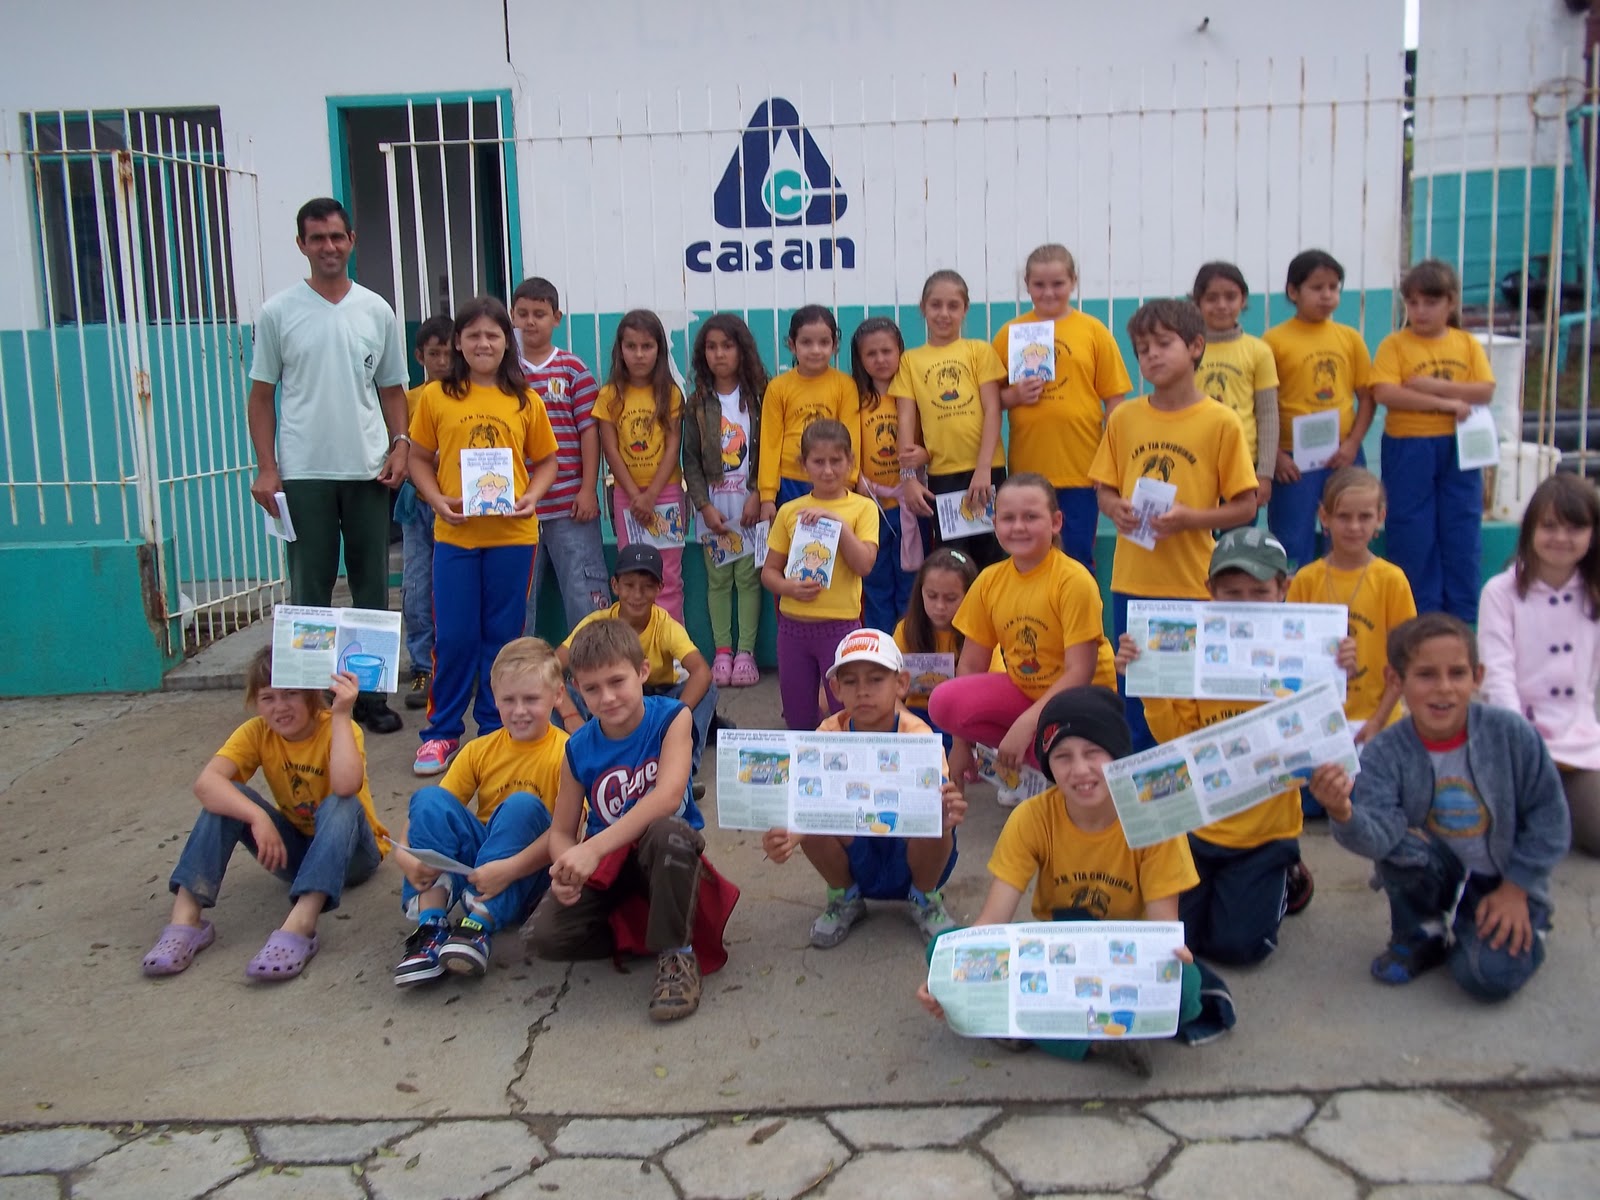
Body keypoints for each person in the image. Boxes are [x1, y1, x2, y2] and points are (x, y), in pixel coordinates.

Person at [916, 687, 1208, 1077]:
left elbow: (1162, 926)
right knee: (942, 951)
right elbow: (993, 920)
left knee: (1187, 987)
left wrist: (1173, 951)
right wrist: (950, 978)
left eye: (1093, 753)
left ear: (1118, 757)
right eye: (1063, 756)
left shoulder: (1151, 815)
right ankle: (1104, 1035)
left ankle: (1028, 1025)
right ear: (1049, 765)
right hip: (1057, 950)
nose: (1080, 770)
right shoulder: (1032, 817)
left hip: (1125, 953)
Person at [1308, 614, 1570, 999]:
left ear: (1477, 676)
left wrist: (1516, 889)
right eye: (1426, 674)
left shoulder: (1512, 735)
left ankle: (1524, 917)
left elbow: (1551, 821)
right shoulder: (1385, 751)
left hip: (1505, 875)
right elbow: (1379, 836)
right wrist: (1343, 811)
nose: (1444, 689)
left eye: (1458, 673)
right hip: (1438, 865)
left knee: (1484, 975)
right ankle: (1423, 930)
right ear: (1396, 680)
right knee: (1401, 843)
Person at [246, 196, 410, 735]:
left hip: (366, 469)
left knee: (370, 589)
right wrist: (268, 468)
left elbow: (391, 389)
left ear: (352, 240)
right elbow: (261, 397)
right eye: (317, 238)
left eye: (337, 237)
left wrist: (400, 445)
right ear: (302, 245)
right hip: (304, 472)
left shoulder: (375, 310)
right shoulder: (278, 313)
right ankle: (310, 698)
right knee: (310, 590)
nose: (329, 247)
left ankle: (369, 698)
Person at [1130, 529, 1331, 963]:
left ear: (1284, 590)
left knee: (1239, 949)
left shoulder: (1306, 650)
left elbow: (1321, 738)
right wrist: (1150, 680)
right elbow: (1174, 739)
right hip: (1198, 827)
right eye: (1231, 591)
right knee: (1185, 943)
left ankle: (1288, 876)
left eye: (1259, 591)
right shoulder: (1191, 647)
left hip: (1266, 833)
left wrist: (1336, 669)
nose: (1244, 602)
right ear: (1209, 592)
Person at [523, 619, 738, 1023]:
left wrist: (592, 848)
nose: (606, 697)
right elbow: (563, 832)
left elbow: (668, 796)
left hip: (667, 857)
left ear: (642, 673)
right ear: (576, 691)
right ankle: (638, 934)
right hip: (610, 868)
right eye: (591, 688)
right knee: (543, 938)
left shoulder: (672, 718)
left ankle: (677, 954)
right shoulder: (579, 748)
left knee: (668, 831)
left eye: (617, 681)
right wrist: (567, 869)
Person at [141, 647, 386, 981]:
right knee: (228, 797)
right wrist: (257, 817)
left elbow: (346, 785)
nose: (280, 707)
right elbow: (206, 784)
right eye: (268, 697)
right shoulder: (256, 732)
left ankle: (301, 924)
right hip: (298, 852)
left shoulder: (337, 726)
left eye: (291, 694)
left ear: (314, 695)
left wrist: (343, 714)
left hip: (354, 855)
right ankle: (186, 920)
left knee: (341, 802)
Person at [1090, 299, 1258, 750]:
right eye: (1143, 349)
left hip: (1191, 584)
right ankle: (1142, 805)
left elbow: (1245, 506)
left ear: (1196, 346)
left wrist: (1191, 519)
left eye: (1164, 344)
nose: (1152, 356)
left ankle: (1193, 799)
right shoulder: (1124, 417)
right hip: (1132, 582)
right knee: (1139, 699)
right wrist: (1114, 507)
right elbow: (1103, 488)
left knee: (1186, 698)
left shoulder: (1221, 421)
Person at [407, 298, 560, 776]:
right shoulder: (435, 397)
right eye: (472, 335)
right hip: (455, 535)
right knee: (453, 636)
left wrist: (532, 496)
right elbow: (417, 459)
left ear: (505, 341)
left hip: (513, 536)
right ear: (458, 342)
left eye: (493, 335)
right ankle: (442, 733)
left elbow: (547, 461)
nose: (483, 343)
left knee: (503, 636)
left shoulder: (524, 399)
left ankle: (494, 726)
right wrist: (436, 500)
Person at [760, 629, 966, 948]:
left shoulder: (919, 735)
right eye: (851, 682)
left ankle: (925, 898)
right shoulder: (827, 733)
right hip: (856, 848)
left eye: (875, 679)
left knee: (938, 819)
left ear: (901, 684)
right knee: (810, 813)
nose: (863, 691)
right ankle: (846, 897)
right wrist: (788, 836)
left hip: (909, 854)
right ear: (835, 688)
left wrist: (947, 811)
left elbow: (936, 802)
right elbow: (806, 801)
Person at [927, 474, 1118, 804]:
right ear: (994, 522)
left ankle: (1055, 762)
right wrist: (960, 745)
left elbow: (1080, 674)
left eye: (1031, 517)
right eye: (1008, 518)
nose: (1019, 527)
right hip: (1027, 694)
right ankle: (1033, 766)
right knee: (944, 700)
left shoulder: (1074, 581)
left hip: (1083, 703)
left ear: (1056, 522)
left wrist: (1026, 724)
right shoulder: (990, 580)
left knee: (1073, 771)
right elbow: (971, 664)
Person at [392, 638, 565, 986]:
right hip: (483, 863)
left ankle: (478, 926)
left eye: (531, 699)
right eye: (508, 700)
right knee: (428, 800)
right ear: (493, 698)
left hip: (529, 869)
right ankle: (431, 925)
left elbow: (570, 831)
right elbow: (432, 814)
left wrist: (509, 869)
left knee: (521, 804)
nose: (519, 711)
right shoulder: (478, 749)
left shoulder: (567, 751)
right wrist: (404, 854)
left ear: (557, 696)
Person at [1478, 473, 1600, 856]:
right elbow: (1498, 674)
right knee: (1501, 842)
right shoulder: (1501, 591)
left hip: (1580, 740)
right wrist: (1522, 742)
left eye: (1575, 527)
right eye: (1549, 526)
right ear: (1529, 528)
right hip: (1517, 739)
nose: (1561, 538)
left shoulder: (1595, 589)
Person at [991, 244, 1131, 570]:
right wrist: (1014, 396)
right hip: (1029, 472)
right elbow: (988, 401)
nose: (1049, 292)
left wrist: (1110, 462)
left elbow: (1115, 401)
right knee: (1029, 560)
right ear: (1026, 284)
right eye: (1040, 285)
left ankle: (1081, 623)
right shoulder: (1009, 334)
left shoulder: (1093, 331)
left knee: (1077, 558)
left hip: (1083, 471)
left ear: (1073, 282)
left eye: (1058, 284)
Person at [1287, 467, 1415, 820]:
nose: (1354, 527)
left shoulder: (1391, 580)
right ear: (1324, 517)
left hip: (1375, 722)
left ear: (1381, 518)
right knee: (1313, 805)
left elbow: (1405, 663)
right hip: (1320, 725)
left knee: (1372, 807)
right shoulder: (1306, 581)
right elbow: (1289, 658)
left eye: (1365, 517)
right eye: (1344, 516)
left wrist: (1377, 721)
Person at [1373, 259, 1497, 622]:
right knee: (1413, 532)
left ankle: (1461, 620)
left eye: (1431, 302)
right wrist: (1447, 403)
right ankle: (1418, 617)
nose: (1421, 311)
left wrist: (1433, 386)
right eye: (1413, 303)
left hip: (1459, 446)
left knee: (1461, 529)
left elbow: (1485, 390)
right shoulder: (1395, 345)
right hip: (1409, 446)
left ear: (1451, 303)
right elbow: (1387, 393)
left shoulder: (1466, 343)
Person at [761, 419, 879, 731]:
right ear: (803, 465)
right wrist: (788, 587)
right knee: (799, 719)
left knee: (847, 716)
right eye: (818, 462)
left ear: (850, 462)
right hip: (793, 631)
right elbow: (769, 572)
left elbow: (864, 565)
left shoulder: (863, 509)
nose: (828, 470)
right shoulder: (790, 511)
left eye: (836, 461)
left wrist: (837, 524)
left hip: (840, 629)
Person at [560, 544, 718, 775]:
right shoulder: (596, 622)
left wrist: (676, 719)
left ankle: (680, 772)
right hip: (608, 698)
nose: (636, 595)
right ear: (615, 586)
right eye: (629, 586)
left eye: (647, 587)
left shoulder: (665, 625)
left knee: (707, 689)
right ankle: (576, 765)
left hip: (655, 700)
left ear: (660, 588)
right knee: (558, 691)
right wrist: (571, 715)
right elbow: (549, 668)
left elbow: (701, 671)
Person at [1263, 249, 1376, 570]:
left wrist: (1352, 444)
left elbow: (1366, 397)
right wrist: (1277, 457)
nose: (1326, 296)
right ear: (1293, 292)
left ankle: (1342, 607)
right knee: (1291, 540)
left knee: (1344, 533)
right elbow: (1263, 406)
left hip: (1342, 454)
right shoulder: (1274, 341)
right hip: (1292, 461)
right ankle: (1292, 604)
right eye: (1317, 288)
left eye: (1333, 287)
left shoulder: (1349, 339)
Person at [512, 277, 611, 636]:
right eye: (522, 313)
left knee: (585, 589)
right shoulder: (506, 374)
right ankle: (522, 672)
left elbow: (590, 431)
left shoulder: (572, 370)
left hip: (570, 503)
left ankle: (591, 667)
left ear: (557, 317)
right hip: (518, 506)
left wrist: (588, 489)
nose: (530, 322)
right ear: (511, 316)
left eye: (540, 313)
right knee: (518, 597)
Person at [892, 269, 1008, 566]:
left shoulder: (978, 351)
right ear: (923, 308)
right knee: (954, 564)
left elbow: (993, 409)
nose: (944, 313)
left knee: (992, 561)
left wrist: (983, 470)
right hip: (942, 477)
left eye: (953, 306)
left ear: (965, 309)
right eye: (936, 305)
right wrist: (908, 478)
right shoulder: (911, 360)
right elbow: (905, 418)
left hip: (987, 472)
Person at [682, 313, 768, 688]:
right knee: (718, 582)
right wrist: (703, 505)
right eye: (711, 348)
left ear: (742, 350)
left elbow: (770, 450)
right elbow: (690, 459)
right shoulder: (697, 402)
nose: (719, 355)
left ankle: (746, 652)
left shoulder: (762, 397)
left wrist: (758, 494)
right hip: (714, 507)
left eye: (727, 346)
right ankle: (721, 653)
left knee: (748, 580)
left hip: (749, 506)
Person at [596, 309, 687, 622]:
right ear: (619, 349)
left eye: (647, 346)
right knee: (634, 573)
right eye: (631, 346)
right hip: (627, 497)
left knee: (668, 575)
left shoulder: (670, 393)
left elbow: (673, 446)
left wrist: (651, 495)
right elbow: (610, 450)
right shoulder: (609, 395)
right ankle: (635, 648)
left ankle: (673, 650)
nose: (638, 354)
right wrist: (636, 495)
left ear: (659, 349)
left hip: (666, 494)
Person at [1192, 261, 1279, 522]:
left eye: (1230, 297)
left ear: (1243, 300)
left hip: (1243, 461)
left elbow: (1267, 415)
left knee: (1236, 545)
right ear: (1197, 302)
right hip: (1195, 459)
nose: (1221, 305)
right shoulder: (1185, 347)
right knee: (1196, 538)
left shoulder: (1258, 351)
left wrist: (1264, 473)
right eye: (1212, 298)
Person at [398, 315, 454, 710]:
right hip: (418, 506)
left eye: (449, 352)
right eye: (434, 353)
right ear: (420, 355)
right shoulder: (410, 400)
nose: (442, 361)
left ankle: (455, 666)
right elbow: (403, 447)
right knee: (418, 588)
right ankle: (423, 666)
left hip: (458, 506)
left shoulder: (468, 396)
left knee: (456, 592)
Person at [757, 306, 860, 515]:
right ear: (792, 345)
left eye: (824, 342)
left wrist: (848, 482)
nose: (815, 350)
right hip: (789, 481)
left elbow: (852, 437)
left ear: (835, 346)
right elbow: (769, 442)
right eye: (806, 342)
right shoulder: (778, 387)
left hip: (831, 479)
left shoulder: (845, 385)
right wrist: (767, 496)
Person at [851, 317, 919, 632]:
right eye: (871, 354)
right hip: (871, 507)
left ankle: (909, 649)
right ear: (860, 359)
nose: (880, 360)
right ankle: (880, 647)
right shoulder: (855, 400)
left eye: (887, 351)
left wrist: (927, 454)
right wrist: (856, 483)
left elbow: (933, 441)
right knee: (876, 584)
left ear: (900, 352)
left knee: (911, 581)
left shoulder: (914, 397)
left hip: (910, 505)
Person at [894, 547, 979, 742]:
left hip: (961, 716)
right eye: (931, 596)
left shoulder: (979, 632)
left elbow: (993, 687)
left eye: (950, 598)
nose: (940, 606)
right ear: (920, 592)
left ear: (969, 595)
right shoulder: (906, 629)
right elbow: (889, 691)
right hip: (914, 714)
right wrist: (911, 724)